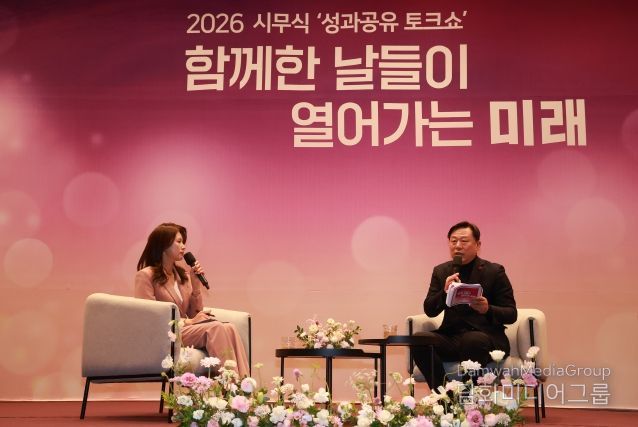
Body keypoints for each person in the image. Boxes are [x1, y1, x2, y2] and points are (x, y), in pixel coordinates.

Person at [135, 223, 249, 377]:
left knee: (229, 328)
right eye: (179, 241)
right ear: (163, 245)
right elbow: (149, 316)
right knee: (216, 328)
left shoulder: (182, 275)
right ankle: (231, 385)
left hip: (184, 330)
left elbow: (195, 313)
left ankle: (245, 383)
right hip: (166, 333)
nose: (183, 246)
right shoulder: (146, 275)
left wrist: (196, 287)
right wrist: (189, 322)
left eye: (183, 242)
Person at [413, 221, 517, 389]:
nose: (458, 246)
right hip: (452, 337)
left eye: (464, 241)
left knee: (473, 340)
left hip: (486, 337)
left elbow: (511, 314)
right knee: (419, 339)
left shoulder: (494, 271)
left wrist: (487, 309)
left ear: (478, 245)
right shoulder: (441, 271)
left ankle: (469, 397)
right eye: (453, 241)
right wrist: (445, 292)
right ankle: (443, 395)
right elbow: (430, 310)